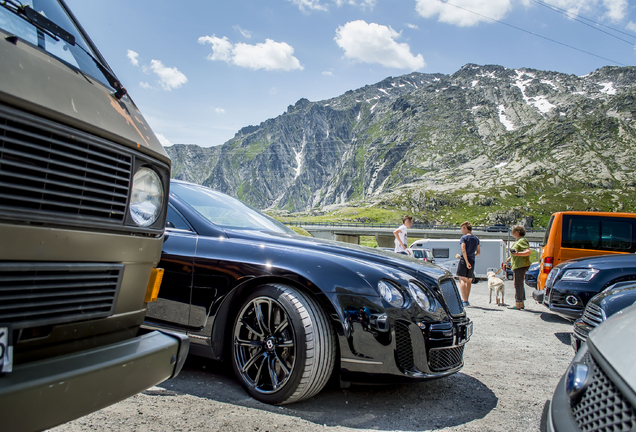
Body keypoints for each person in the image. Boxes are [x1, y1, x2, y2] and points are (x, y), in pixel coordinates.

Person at [506, 225, 532, 310]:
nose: (512, 233)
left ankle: (518, 303)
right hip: (518, 265)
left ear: (517, 232)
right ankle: (521, 303)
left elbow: (528, 252)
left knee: (518, 284)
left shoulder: (522, 240)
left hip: (520, 265)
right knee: (519, 284)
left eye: (513, 231)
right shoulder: (519, 241)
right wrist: (511, 258)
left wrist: (517, 254)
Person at [457, 221, 480, 307]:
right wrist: (471, 256)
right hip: (472, 259)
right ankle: (467, 299)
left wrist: (466, 261)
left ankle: (464, 300)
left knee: (462, 279)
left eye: (462, 228)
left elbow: (463, 249)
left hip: (464, 260)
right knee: (469, 280)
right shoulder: (476, 238)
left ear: (465, 228)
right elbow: (478, 252)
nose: (461, 231)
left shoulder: (464, 238)